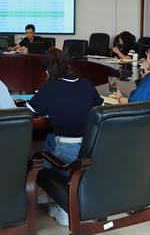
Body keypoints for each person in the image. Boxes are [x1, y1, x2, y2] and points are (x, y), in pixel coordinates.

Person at [28, 47, 102, 226]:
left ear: (47, 72)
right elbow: (99, 106)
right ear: (68, 66)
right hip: (92, 148)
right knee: (49, 139)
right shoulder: (86, 83)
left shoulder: (51, 87)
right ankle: (55, 195)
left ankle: (62, 208)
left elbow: (28, 111)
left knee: (39, 154)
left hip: (67, 150)